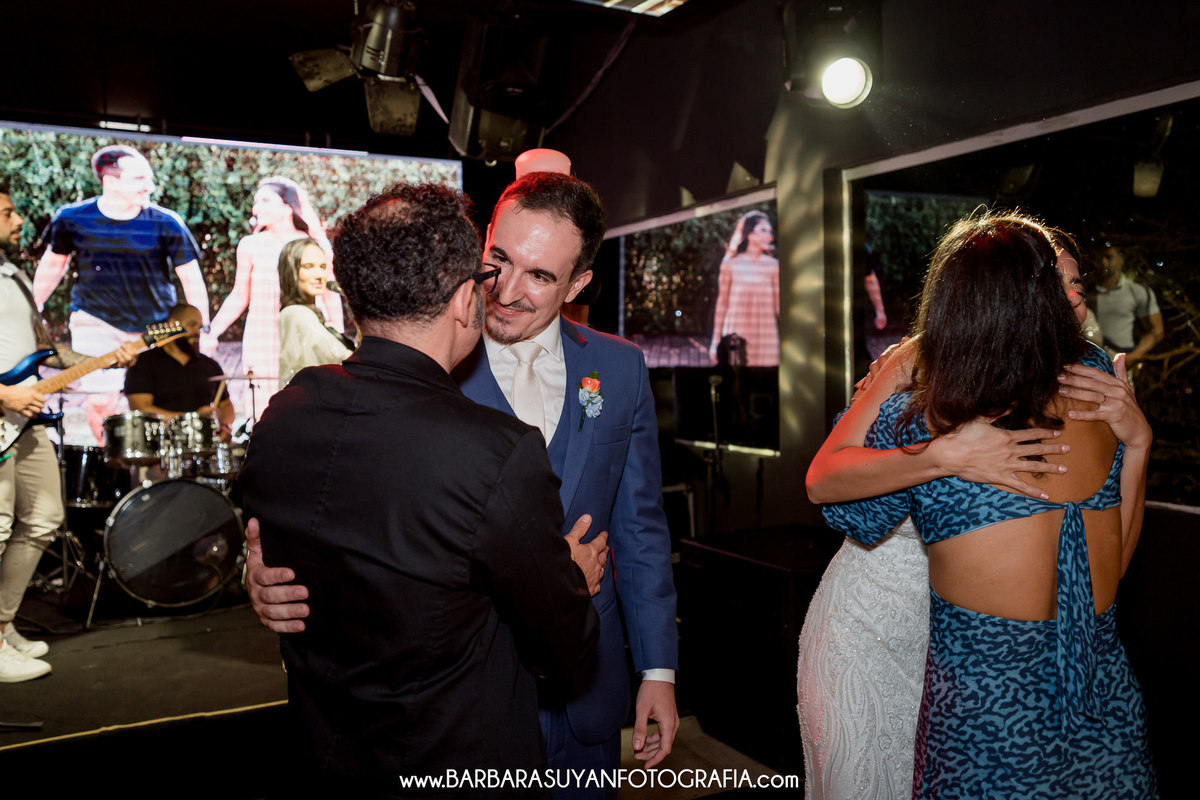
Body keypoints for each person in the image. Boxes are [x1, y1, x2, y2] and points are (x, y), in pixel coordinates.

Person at [246, 171, 681, 797]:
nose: (506, 289)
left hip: (587, 692)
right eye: (498, 260)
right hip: (460, 708)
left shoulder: (619, 367)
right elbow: (359, 524)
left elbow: (640, 530)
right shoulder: (420, 366)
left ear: (577, 285)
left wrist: (658, 670)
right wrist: (271, 576)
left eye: (540, 275)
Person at [808, 212, 1156, 798]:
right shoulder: (1097, 389)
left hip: (986, 723)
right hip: (1106, 711)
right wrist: (1140, 442)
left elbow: (829, 490)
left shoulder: (928, 413)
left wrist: (900, 390)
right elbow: (1112, 572)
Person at [0, 189, 138, 682]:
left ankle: (2, 625)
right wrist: (5, 394)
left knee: (44, 517)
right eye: (7, 213)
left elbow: (47, 350)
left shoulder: (14, 277)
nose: (19, 220)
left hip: (24, 422)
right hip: (8, 410)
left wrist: (105, 359)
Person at [32, 145, 208, 442]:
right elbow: (53, 266)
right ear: (110, 181)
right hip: (95, 322)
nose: (149, 187)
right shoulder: (73, 218)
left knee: (155, 400)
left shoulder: (165, 222)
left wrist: (203, 329)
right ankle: (108, 461)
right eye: (139, 179)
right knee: (102, 401)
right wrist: (33, 310)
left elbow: (191, 277)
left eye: (149, 178)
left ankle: (155, 466)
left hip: (155, 329)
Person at [209, 177, 341, 411]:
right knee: (264, 405)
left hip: (306, 333)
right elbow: (239, 295)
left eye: (265, 201)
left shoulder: (313, 244)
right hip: (262, 336)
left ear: (288, 206)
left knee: (306, 401)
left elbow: (330, 294)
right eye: (256, 202)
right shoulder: (250, 245)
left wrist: (337, 337)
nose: (256, 208)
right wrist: (211, 333)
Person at [123, 303, 235, 436]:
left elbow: (226, 406)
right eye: (192, 325)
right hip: (162, 442)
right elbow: (141, 409)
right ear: (172, 324)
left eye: (199, 327)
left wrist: (223, 425)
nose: (197, 332)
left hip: (204, 444)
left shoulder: (210, 365)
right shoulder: (144, 363)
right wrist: (193, 420)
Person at [276, 237, 354, 389]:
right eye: (308, 267)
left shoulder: (310, 313)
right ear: (291, 270)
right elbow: (341, 361)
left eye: (322, 267)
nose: (319, 275)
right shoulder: (297, 314)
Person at [709, 210, 780, 367]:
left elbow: (779, 307)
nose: (769, 236)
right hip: (737, 333)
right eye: (763, 230)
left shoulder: (774, 266)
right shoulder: (730, 264)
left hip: (765, 337)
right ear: (749, 234)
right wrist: (715, 341)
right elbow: (722, 303)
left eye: (770, 231)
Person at [1092, 242, 1163, 367]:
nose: (1103, 262)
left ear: (1121, 260)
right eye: (1099, 257)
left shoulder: (1137, 291)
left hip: (1123, 362)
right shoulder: (1085, 291)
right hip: (1091, 362)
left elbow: (1157, 330)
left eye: (1109, 257)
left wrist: (1133, 356)